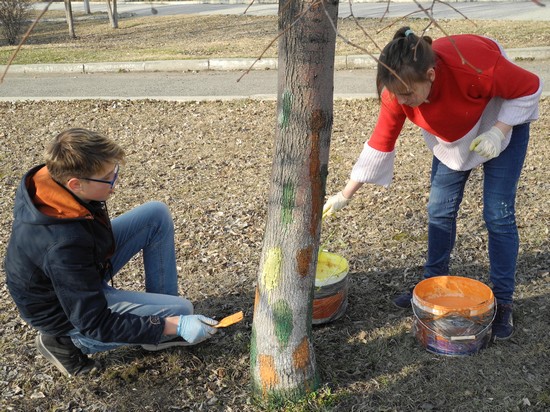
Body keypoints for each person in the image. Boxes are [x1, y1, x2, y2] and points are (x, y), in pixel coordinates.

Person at [323, 27, 542, 341]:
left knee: (498, 214)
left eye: (409, 94)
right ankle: (432, 282)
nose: (403, 101)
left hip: (499, 127)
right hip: (453, 140)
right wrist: (345, 193)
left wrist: (498, 130)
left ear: (431, 75)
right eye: (397, 95)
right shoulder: (398, 89)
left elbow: (530, 87)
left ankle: (503, 300)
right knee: (439, 209)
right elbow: (381, 142)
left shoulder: (473, 66)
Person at [4, 128, 219, 377]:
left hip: (80, 272)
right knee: (182, 312)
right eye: (108, 177)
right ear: (76, 184)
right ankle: (63, 343)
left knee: (155, 215)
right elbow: (96, 324)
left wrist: (163, 323)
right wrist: (174, 324)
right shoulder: (62, 246)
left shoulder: (54, 182)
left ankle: (160, 324)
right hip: (66, 314)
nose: (115, 183)